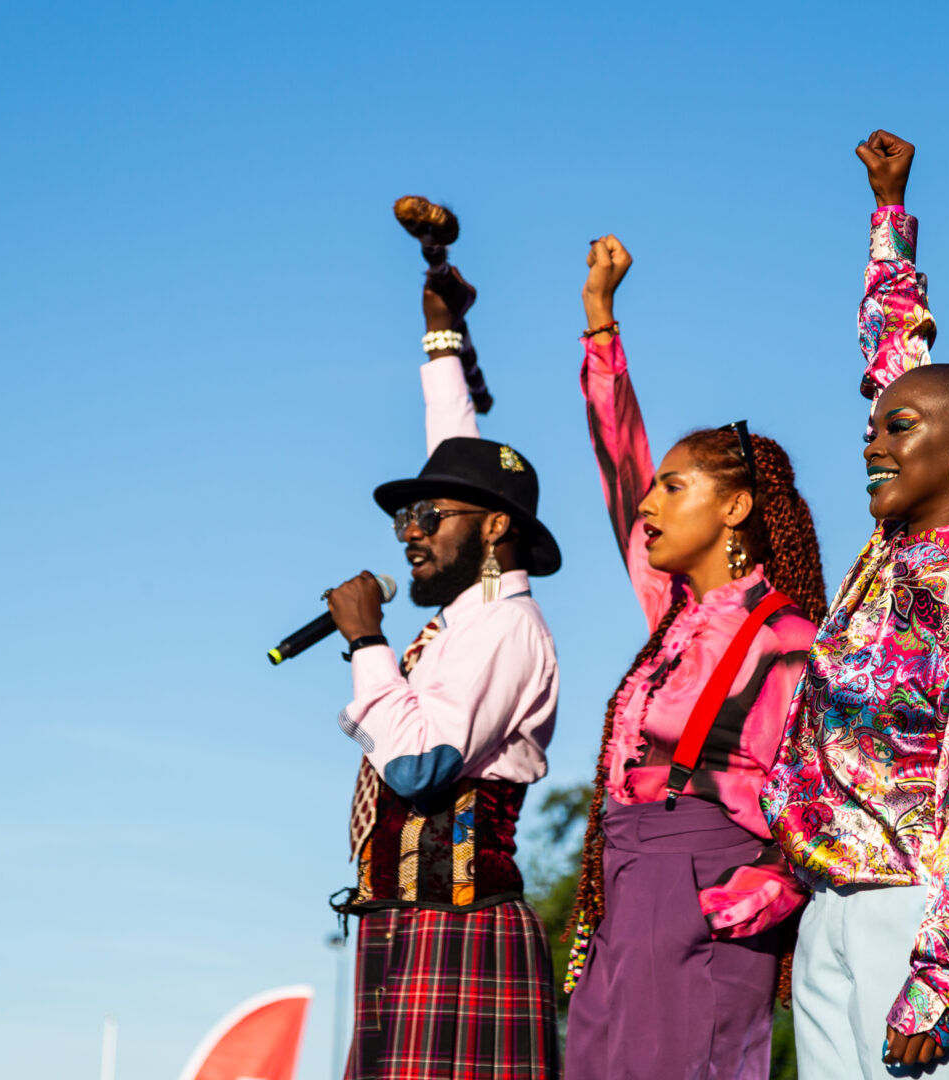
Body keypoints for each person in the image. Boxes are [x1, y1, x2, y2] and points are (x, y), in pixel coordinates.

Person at [762, 130, 949, 1080]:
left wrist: (938, 980)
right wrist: (890, 216)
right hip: (834, 911)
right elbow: (894, 357)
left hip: (930, 927)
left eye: (898, 430)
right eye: (872, 427)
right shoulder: (888, 560)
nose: (871, 443)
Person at [560, 233, 828, 1080]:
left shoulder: (789, 639)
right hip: (623, 884)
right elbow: (617, 466)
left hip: (704, 883)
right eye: (656, 488)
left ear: (738, 507)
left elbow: (825, 796)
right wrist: (600, 324)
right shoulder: (674, 617)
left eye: (675, 487)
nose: (649, 503)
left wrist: (758, 893)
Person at [324, 239, 563, 1080]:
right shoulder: (469, 615)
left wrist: (365, 643)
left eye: (429, 516)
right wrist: (441, 340)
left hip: (458, 929)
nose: (410, 530)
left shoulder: (505, 629)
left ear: (496, 528)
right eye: (405, 517)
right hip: (406, 925)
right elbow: (455, 451)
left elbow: (422, 767)